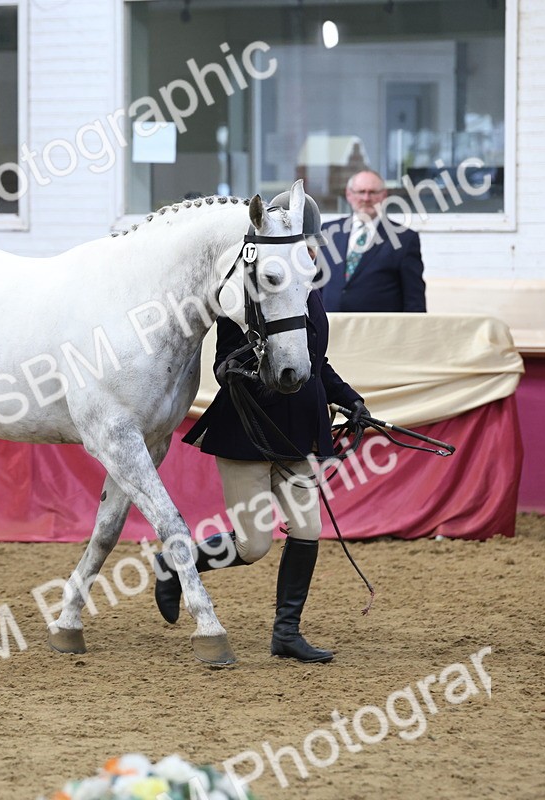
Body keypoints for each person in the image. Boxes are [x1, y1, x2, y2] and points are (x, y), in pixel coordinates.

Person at [154, 193, 367, 663]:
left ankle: (286, 633)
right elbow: (223, 362)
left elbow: (316, 360)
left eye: (309, 242)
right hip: (248, 430)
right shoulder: (248, 293)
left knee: (307, 529)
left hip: (300, 429)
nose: (306, 250)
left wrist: (351, 399)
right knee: (253, 545)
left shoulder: (307, 291)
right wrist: (246, 369)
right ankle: (175, 561)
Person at [319, 170, 426, 313]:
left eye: (373, 192)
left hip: (378, 331)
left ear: (384, 195)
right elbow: (316, 285)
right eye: (361, 191)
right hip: (332, 328)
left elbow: (414, 298)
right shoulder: (328, 232)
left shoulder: (404, 238)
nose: (366, 198)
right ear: (349, 194)